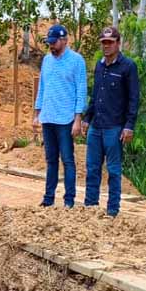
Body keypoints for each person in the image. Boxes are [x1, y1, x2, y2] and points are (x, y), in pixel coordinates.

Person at [82, 26, 140, 217]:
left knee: (113, 170)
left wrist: (129, 125)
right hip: (96, 126)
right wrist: (86, 119)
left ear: (118, 43)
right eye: (104, 43)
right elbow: (95, 94)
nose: (106, 46)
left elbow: (133, 98)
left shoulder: (128, 66)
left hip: (114, 128)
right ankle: (90, 206)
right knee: (91, 168)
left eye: (110, 42)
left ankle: (112, 210)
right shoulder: (99, 66)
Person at [33, 24, 87, 208]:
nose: (51, 46)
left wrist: (78, 118)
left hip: (66, 119)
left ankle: (69, 200)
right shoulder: (47, 60)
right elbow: (42, 87)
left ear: (64, 40)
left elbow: (81, 90)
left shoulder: (77, 61)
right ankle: (48, 198)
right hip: (48, 117)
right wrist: (37, 113)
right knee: (50, 160)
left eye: (54, 42)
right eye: (49, 42)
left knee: (68, 160)